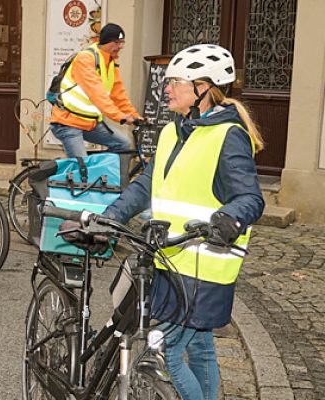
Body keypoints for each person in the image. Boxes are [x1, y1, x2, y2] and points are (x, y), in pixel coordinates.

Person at [67, 44, 264, 400]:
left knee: (170, 353)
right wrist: (111, 216)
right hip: (170, 259)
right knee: (200, 348)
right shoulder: (175, 130)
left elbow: (250, 197)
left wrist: (228, 220)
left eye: (176, 82)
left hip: (204, 266)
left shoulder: (228, 136)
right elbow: (147, 183)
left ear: (203, 88)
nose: (166, 89)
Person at [50, 23, 140, 158]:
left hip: (89, 122)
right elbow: (97, 94)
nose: (119, 47)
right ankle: (83, 174)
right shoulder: (85, 59)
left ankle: (101, 177)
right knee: (82, 170)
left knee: (123, 145)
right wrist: (119, 116)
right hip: (68, 122)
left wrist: (135, 116)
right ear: (105, 42)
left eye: (122, 43)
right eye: (116, 42)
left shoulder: (111, 63)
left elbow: (119, 96)